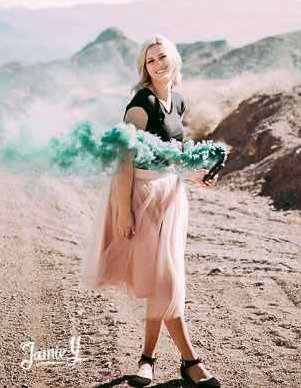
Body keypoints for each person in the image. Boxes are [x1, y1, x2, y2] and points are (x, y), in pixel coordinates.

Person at [80, 34, 221, 387]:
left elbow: (172, 158)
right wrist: (124, 211)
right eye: (150, 60)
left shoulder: (179, 101)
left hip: (170, 197)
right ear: (144, 67)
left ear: (174, 59)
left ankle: (147, 361)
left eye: (162, 57)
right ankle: (191, 362)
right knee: (165, 282)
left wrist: (197, 175)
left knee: (162, 280)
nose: (158, 65)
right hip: (140, 197)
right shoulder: (141, 103)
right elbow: (123, 158)